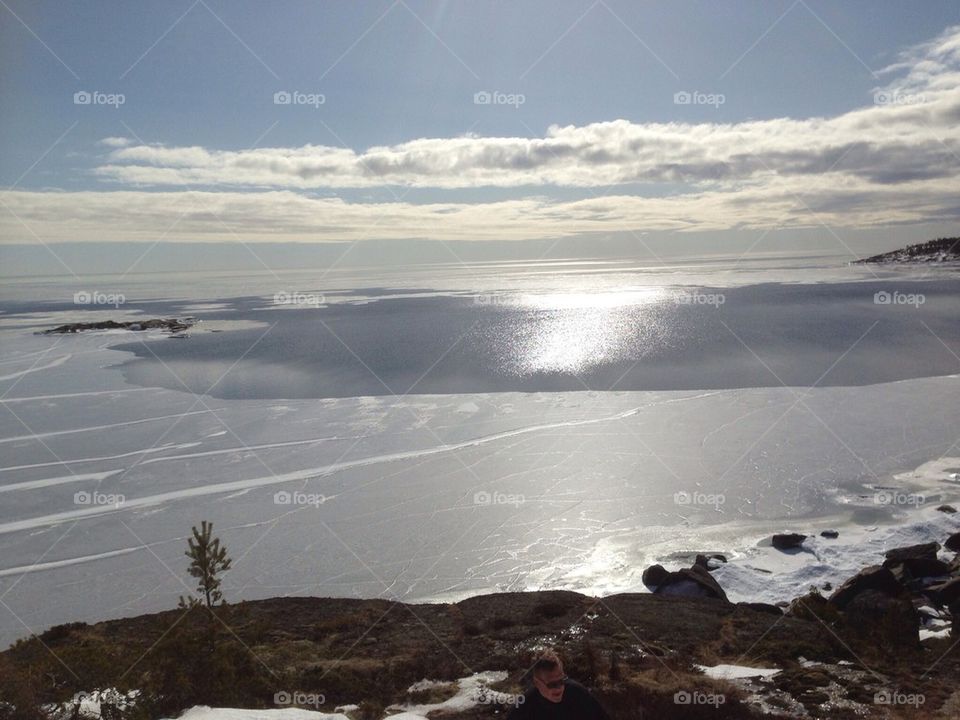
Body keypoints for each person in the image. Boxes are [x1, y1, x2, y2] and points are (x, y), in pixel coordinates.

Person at [507, 649, 611, 719]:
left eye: (562, 681)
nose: (559, 688)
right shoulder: (522, 708)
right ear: (537, 683)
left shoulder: (578, 694)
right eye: (552, 684)